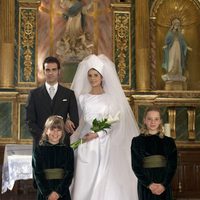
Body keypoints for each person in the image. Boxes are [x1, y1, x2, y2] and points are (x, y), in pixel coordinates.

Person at [70, 54, 139, 200]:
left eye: (96, 75)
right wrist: (76, 137)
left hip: (106, 143)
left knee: (105, 178)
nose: (92, 78)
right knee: (84, 176)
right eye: (90, 75)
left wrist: (97, 134)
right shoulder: (83, 97)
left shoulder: (111, 98)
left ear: (102, 77)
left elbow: (113, 121)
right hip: (86, 142)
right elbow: (81, 121)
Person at [26, 56, 79, 146]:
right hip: (40, 145)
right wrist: (45, 136)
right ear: (44, 71)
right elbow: (30, 122)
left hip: (62, 144)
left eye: (54, 70)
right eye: (47, 70)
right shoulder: (34, 94)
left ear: (59, 71)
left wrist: (59, 136)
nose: (50, 73)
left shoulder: (69, 94)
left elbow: (75, 121)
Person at [131, 106, 177, 200]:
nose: (153, 122)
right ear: (144, 120)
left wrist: (163, 185)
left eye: (156, 119)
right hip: (146, 184)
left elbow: (172, 165)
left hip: (164, 182)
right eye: (149, 119)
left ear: (160, 121)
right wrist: (149, 184)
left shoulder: (169, 142)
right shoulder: (137, 141)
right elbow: (136, 166)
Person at [32, 115, 74, 200]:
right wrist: (48, 193)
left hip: (63, 193)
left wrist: (59, 193)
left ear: (62, 132)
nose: (55, 133)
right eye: (52, 130)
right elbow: (37, 174)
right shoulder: (39, 150)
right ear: (46, 131)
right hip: (44, 193)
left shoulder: (68, 151)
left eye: (59, 130)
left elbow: (69, 174)